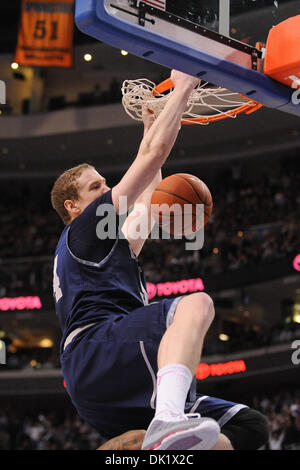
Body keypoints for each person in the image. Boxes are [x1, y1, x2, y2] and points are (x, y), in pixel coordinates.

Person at [51, 69, 269, 450]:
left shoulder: (104, 241)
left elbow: (149, 202)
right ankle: (169, 418)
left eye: (105, 183)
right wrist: (183, 87)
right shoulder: (85, 228)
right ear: (73, 206)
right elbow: (150, 162)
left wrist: (152, 125)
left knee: (250, 427)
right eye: (96, 187)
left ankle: (152, 441)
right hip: (98, 350)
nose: (106, 189)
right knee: (196, 303)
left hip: (103, 376)